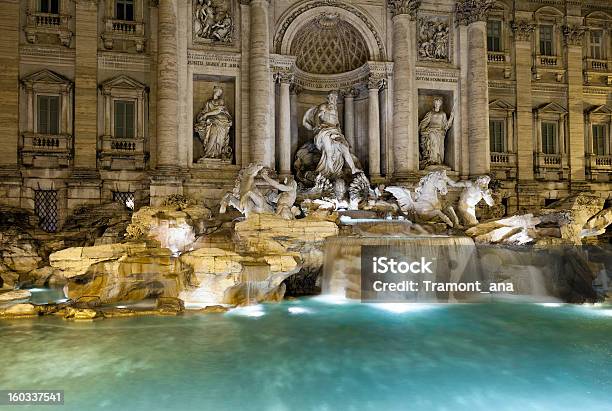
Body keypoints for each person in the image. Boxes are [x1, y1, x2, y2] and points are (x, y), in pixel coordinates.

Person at [194, 86, 233, 160]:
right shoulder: (208, 102)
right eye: (218, 91)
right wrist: (202, 116)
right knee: (212, 132)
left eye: (220, 92)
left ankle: (216, 153)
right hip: (211, 121)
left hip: (221, 122)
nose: (219, 93)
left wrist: (206, 114)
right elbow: (203, 112)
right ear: (215, 91)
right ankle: (209, 153)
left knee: (216, 134)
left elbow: (218, 111)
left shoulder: (220, 101)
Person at [419, 97, 454, 167]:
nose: (436, 104)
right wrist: (422, 129)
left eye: (438, 103)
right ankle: (432, 160)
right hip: (431, 131)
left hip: (440, 133)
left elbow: (446, 125)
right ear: (434, 104)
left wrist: (451, 117)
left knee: (439, 147)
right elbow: (424, 122)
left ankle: (438, 160)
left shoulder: (443, 114)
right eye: (435, 103)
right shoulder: (430, 113)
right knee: (433, 143)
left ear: (440, 104)